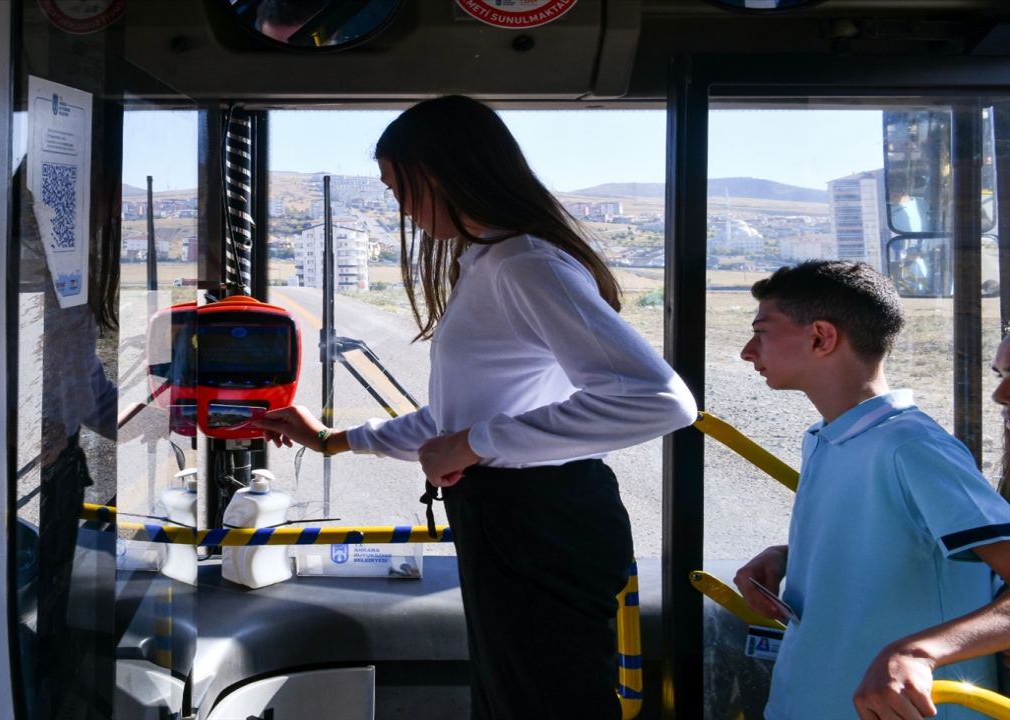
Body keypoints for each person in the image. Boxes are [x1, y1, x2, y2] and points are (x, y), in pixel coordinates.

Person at [253, 95, 697, 720]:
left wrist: (476, 444)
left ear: (441, 173)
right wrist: (333, 439)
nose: (399, 206)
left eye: (399, 187)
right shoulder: (487, 262)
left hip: (539, 520)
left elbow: (659, 400)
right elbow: (452, 422)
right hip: (510, 517)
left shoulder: (525, 263)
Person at [732, 260, 1010, 720]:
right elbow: (896, 541)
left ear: (821, 337)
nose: (748, 350)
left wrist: (920, 653)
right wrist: (789, 556)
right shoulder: (826, 437)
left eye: (762, 331)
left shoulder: (912, 447)